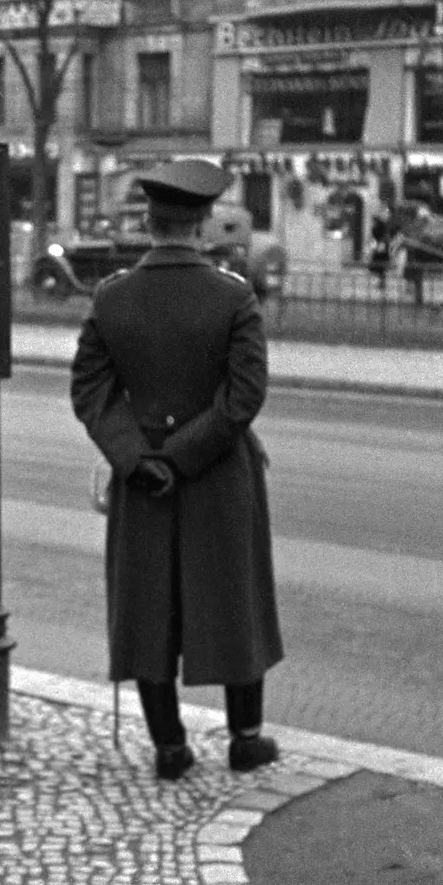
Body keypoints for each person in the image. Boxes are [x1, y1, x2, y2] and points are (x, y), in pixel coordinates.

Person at [70, 159, 283, 781]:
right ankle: (245, 739)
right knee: (234, 600)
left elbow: (90, 390)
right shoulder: (233, 296)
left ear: (150, 221)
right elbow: (244, 397)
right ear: (202, 223)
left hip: (143, 480)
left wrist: (138, 458)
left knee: (147, 606)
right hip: (218, 472)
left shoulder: (112, 295)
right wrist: (185, 455)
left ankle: (169, 748)